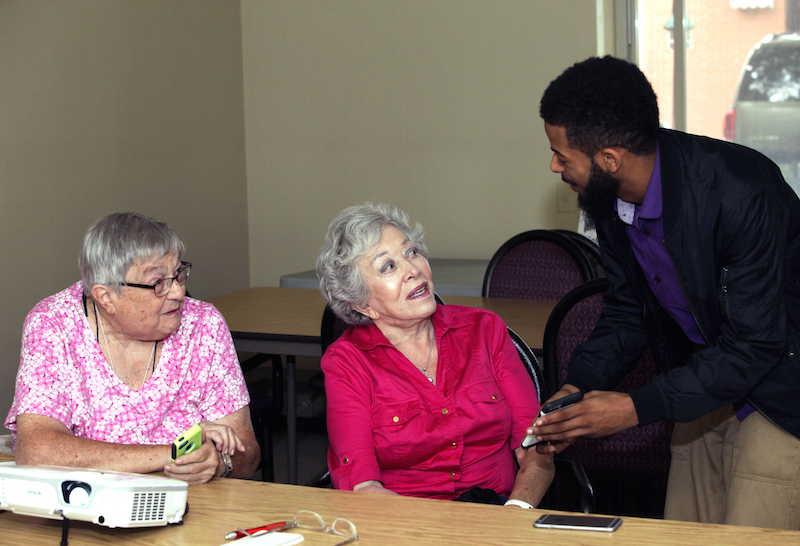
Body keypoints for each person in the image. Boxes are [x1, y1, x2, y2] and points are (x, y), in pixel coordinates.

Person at [529, 55, 800, 529]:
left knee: (750, 530)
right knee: (683, 529)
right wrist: (581, 386)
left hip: (782, 387)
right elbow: (628, 309)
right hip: (702, 381)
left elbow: (758, 342)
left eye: (561, 154)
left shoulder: (742, 193)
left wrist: (636, 407)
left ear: (610, 159)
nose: (554, 164)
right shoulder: (611, 198)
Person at [317, 202, 553, 507]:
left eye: (411, 252)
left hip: (499, 512)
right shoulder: (347, 363)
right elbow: (362, 488)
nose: (413, 270)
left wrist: (514, 515)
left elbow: (536, 448)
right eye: (388, 266)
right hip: (405, 523)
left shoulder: (484, 330)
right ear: (362, 304)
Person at [5, 212, 259, 484]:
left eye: (178, 275)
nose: (178, 292)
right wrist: (170, 454)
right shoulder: (54, 324)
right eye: (157, 283)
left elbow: (248, 452)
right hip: (86, 505)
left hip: (193, 505)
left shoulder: (203, 325)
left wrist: (221, 463)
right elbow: (37, 452)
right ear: (106, 298)